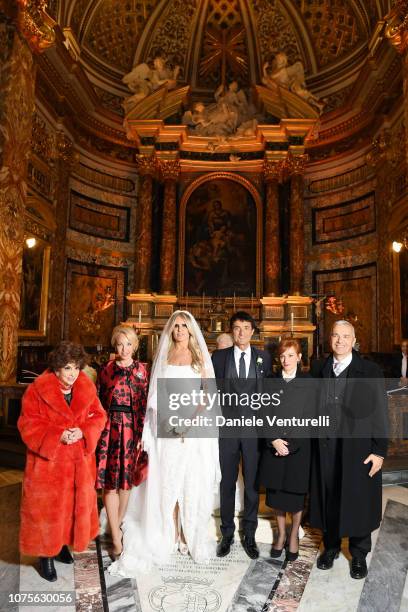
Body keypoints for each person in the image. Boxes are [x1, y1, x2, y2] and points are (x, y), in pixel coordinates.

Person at [108, 311, 220, 576]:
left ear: (191, 330)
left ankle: (186, 534)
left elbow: (208, 397)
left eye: (184, 326)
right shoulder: (165, 357)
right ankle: (167, 533)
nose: (180, 330)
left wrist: (189, 423)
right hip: (167, 430)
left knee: (189, 482)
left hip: (193, 431)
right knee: (167, 482)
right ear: (171, 330)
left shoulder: (201, 358)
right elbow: (156, 396)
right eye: (176, 326)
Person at [18, 342, 106, 582]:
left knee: (70, 507)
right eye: (67, 368)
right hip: (49, 464)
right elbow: (27, 424)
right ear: (56, 368)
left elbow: (99, 416)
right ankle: (45, 554)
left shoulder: (86, 387)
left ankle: (62, 545)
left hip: (78, 463)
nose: (72, 373)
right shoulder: (37, 391)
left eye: (76, 368)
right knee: (47, 511)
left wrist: (84, 431)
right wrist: (57, 434)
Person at [310, 320, 388, 579]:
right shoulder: (319, 368)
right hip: (326, 446)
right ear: (329, 339)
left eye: (346, 336)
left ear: (354, 340)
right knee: (329, 496)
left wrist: (379, 451)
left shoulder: (370, 370)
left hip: (358, 448)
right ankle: (331, 547)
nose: (340, 341)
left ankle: (358, 554)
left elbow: (380, 413)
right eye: (336, 335)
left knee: (358, 498)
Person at [212, 311, 272, 559]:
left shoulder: (263, 358)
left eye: (246, 328)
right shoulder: (219, 357)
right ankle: (227, 533)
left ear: (252, 331)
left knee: (251, 484)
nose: (241, 332)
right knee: (226, 482)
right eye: (237, 328)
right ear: (231, 330)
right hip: (226, 429)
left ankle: (249, 533)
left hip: (252, 431)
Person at [96, 325, 149, 558]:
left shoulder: (141, 371)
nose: (124, 348)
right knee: (110, 483)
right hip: (108, 429)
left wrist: (142, 435)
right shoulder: (106, 369)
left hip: (132, 429)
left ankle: (115, 525)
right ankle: (116, 538)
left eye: (128, 344)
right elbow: (97, 402)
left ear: (135, 346)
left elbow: (146, 404)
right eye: (120, 344)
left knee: (126, 482)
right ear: (114, 345)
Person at [257, 338, 311, 562]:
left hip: (299, 447)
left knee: (296, 495)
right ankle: (280, 534)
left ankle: (294, 536)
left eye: (291, 355)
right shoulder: (270, 381)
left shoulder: (309, 382)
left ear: (299, 357)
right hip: (275, 446)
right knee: (277, 495)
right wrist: (274, 440)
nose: (286, 360)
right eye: (282, 356)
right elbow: (262, 413)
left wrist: (292, 444)